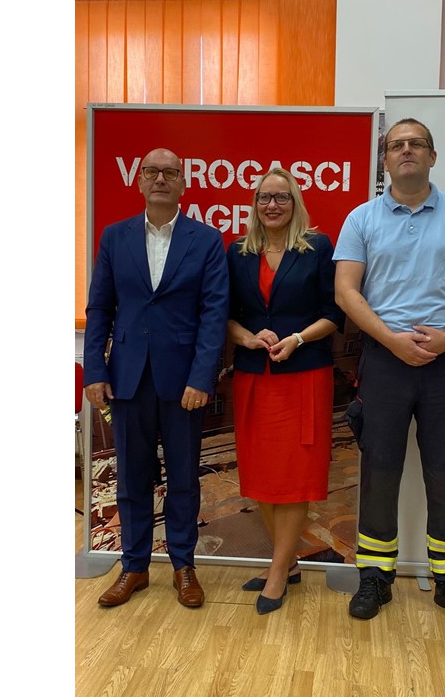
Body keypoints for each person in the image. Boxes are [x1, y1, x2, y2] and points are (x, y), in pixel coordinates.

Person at [333, 118, 445, 626]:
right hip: (384, 360)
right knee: (379, 471)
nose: (406, 151)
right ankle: (374, 578)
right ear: (384, 160)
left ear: (432, 156)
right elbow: (346, 291)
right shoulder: (361, 218)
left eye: (416, 144)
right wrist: (390, 340)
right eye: (396, 145)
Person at [83, 147, 229, 609]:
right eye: (152, 171)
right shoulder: (115, 237)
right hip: (127, 379)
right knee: (131, 479)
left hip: (184, 382)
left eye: (170, 172)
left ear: (184, 182)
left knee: (184, 478)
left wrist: (201, 377)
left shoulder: (206, 240)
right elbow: (99, 308)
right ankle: (134, 567)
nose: (160, 179)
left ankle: (184, 566)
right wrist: (94, 369)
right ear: (140, 181)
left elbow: (213, 314)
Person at [226, 168, 344, 615]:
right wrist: (247, 337)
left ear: (295, 203)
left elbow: (334, 313)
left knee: (294, 475)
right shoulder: (238, 252)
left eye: (281, 197)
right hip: (253, 376)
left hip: (303, 375)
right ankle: (288, 561)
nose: (271, 205)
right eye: (264, 197)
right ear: (254, 204)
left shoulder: (317, 248)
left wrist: (297, 338)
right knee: (260, 473)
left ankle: (278, 572)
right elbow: (225, 314)